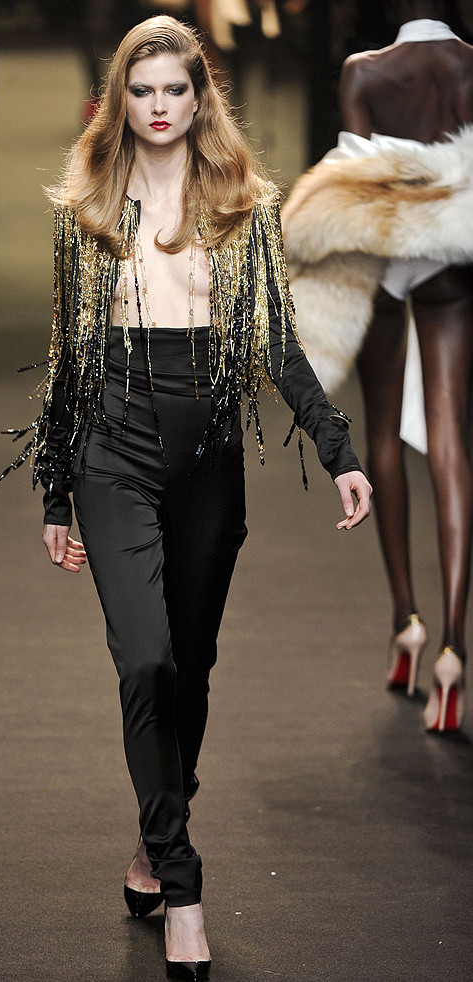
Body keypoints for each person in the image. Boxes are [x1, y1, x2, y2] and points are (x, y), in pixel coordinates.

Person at [1, 16, 371, 979]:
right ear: (118, 99)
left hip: (209, 461)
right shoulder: (87, 206)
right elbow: (68, 357)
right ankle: (182, 882)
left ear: (200, 97)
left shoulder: (241, 203)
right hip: (111, 451)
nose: (159, 107)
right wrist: (55, 493)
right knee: (146, 660)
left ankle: (151, 836)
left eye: (175, 89)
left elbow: (277, 342)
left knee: (190, 669)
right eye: (142, 90)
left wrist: (337, 450)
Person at [282, 0, 472, 733]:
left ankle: (405, 620)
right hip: (453, 256)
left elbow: (357, 185)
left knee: (384, 435)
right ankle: (455, 649)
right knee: (450, 439)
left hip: (387, 260)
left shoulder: (363, 72)